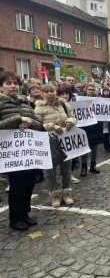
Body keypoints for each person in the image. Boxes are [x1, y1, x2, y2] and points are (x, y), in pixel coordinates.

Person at [0, 71, 43, 231]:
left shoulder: (25, 103)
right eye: (8, 83)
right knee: (16, 185)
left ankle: (25, 213)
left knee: (29, 183)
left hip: (28, 152)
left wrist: (31, 123)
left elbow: (39, 123)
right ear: (1, 87)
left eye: (15, 83)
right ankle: (15, 218)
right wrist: (17, 120)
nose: (12, 86)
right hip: (11, 153)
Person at [35, 84, 77, 207]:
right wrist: (51, 126)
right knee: (50, 171)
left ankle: (66, 193)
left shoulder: (64, 104)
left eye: (52, 91)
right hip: (48, 142)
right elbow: (37, 124)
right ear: (43, 94)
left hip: (65, 141)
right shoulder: (39, 108)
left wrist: (70, 122)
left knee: (66, 169)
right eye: (46, 91)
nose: (50, 93)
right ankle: (55, 195)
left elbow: (73, 117)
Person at [80, 83, 102, 177]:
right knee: (84, 147)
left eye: (93, 89)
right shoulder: (80, 99)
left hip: (95, 126)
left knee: (94, 146)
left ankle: (93, 165)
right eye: (89, 89)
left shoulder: (99, 99)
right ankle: (84, 167)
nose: (91, 91)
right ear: (85, 90)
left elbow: (104, 110)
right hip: (85, 126)